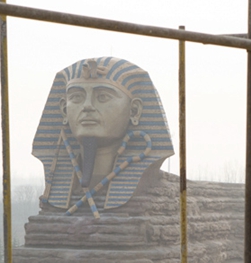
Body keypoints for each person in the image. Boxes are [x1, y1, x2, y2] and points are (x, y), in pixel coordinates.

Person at [31, 57, 174, 216]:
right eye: (77, 97)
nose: (87, 106)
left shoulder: (147, 201)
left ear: (134, 111)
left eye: (103, 97)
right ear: (64, 110)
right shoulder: (53, 197)